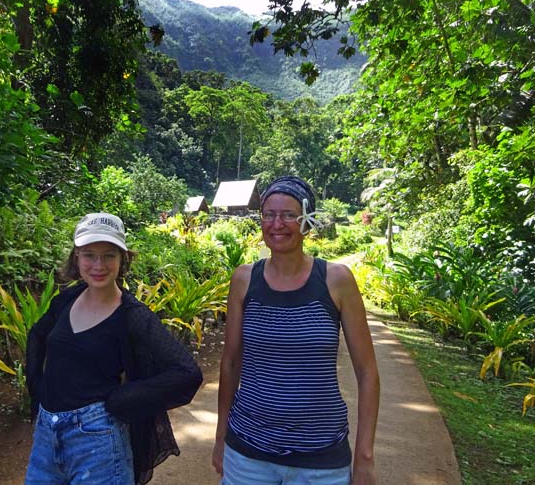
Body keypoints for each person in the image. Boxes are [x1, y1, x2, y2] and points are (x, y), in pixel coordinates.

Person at [212, 176, 380, 485]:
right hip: (248, 451)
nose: (277, 224)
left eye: (289, 214)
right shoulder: (244, 279)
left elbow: (367, 371)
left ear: (306, 221)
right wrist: (221, 435)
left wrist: (365, 457)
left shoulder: (336, 280)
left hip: (321, 458)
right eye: (269, 214)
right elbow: (231, 363)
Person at [25, 212, 203, 485]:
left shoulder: (132, 315)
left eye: (109, 255)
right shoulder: (67, 300)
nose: (99, 264)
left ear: (123, 259)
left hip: (97, 442)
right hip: (47, 437)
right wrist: (39, 393)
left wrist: (121, 401)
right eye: (89, 255)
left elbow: (186, 372)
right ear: (77, 258)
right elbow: (37, 336)